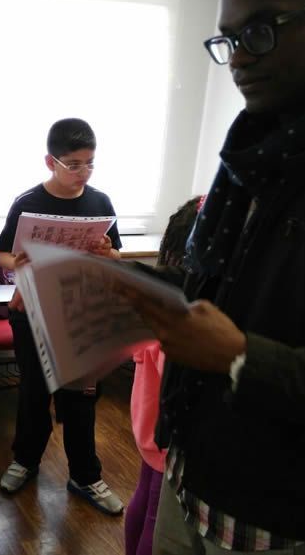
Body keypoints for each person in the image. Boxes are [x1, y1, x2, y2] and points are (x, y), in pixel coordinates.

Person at [121, 0, 305, 552]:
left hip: (289, 519)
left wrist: (243, 358)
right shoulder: (253, 153)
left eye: (261, 31)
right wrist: (119, 282)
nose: (239, 58)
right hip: (189, 472)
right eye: (228, 39)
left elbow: (236, 334)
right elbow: (221, 289)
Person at [0, 117, 125, 515]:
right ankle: (25, 460)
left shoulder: (101, 203)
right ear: (50, 162)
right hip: (32, 310)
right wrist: (17, 262)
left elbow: (115, 254)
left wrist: (107, 252)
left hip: (78, 313)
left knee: (81, 401)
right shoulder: (28, 202)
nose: (83, 172)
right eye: (74, 164)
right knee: (33, 393)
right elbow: (2, 254)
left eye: (90, 163)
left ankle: (85, 476)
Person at [125, 196, 203, 555]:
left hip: (145, 426)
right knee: (158, 519)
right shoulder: (179, 316)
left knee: (143, 499)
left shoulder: (154, 299)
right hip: (164, 437)